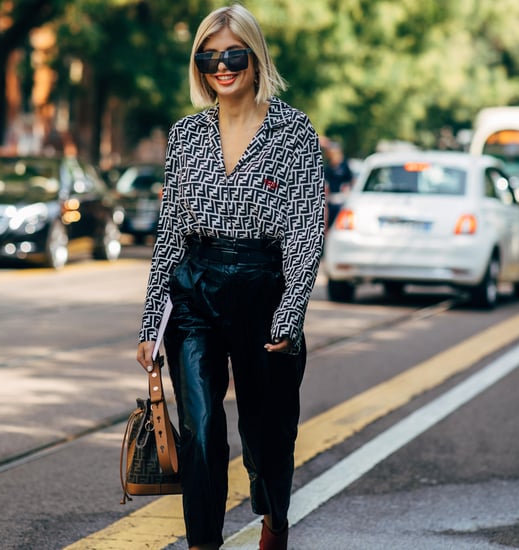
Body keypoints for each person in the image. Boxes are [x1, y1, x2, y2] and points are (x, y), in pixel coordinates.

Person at [136, 5, 325, 549]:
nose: (222, 66)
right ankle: (203, 543)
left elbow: (307, 229)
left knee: (266, 438)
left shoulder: (293, 131)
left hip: (264, 290)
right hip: (194, 293)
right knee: (199, 430)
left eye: (233, 54)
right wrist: (151, 323)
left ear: (254, 57)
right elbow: (170, 234)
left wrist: (290, 313)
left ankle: (274, 518)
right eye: (209, 56)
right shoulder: (185, 136)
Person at [324, 140, 353, 227]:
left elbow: (350, 180)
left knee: (341, 223)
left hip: (342, 198)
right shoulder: (329, 166)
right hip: (331, 198)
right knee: (330, 222)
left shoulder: (344, 165)